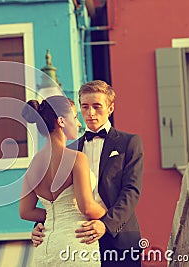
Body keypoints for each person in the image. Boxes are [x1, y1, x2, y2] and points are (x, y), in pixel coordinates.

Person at [31, 80, 144, 266]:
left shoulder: (130, 142)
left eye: (97, 106)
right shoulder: (69, 150)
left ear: (110, 108)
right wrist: (40, 225)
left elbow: (131, 192)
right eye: (85, 107)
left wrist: (105, 224)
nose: (90, 113)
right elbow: (56, 196)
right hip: (78, 241)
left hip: (119, 239)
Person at [20, 95, 107, 266]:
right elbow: (87, 208)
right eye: (75, 117)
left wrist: (56, 216)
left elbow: (25, 211)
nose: (79, 123)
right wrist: (106, 212)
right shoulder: (76, 158)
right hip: (75, 245)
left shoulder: (33, 164)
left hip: (45, 248)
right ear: (61, 121)